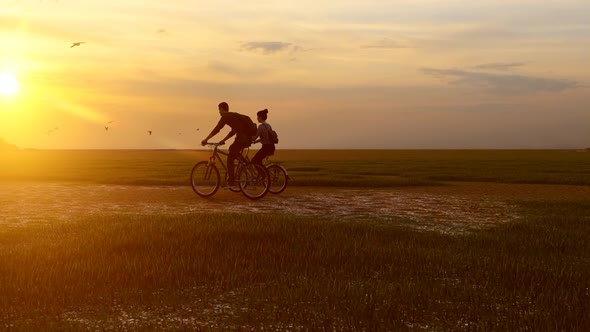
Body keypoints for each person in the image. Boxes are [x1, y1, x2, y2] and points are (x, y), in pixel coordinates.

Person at [201, 102, 253, 188]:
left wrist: (206, 139)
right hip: (246, 138)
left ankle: (231, 181)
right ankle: (246, 165)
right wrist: (223, 140)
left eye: (219, 110)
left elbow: (217, 129)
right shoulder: (232, 116)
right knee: (233, 152)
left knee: (230, 155)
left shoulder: (225, 116)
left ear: (222, 109)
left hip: (243, 138)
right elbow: (233, 131)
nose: (219, 112)